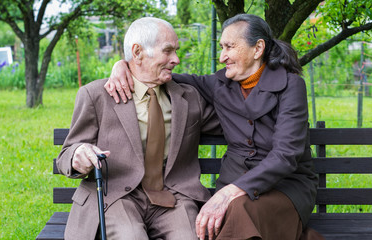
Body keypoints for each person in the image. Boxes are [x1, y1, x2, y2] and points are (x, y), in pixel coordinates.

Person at [105, 14, 323, 240]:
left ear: (258, 49)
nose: (222, 57)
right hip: (232, 190)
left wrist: (231, 191)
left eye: (229, 47)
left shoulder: (290, 86)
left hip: (285, 188)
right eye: (221, 47)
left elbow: (286, 155)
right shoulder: (220, 85)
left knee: (239, 212)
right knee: (222, 220)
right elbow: (161, 74)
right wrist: (123, 65)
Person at [56, 17, 219, 240]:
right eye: (168, 51)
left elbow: (233, 120)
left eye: (176, 51)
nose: (177, 59)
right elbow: (67, 153)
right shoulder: (97, 95)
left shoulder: (188, 98)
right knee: (129, 236)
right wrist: (78, 155)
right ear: (138, 52)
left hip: (173, 195)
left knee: (188, 237)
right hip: (115, 196)